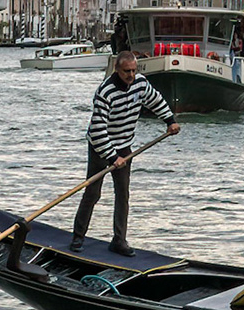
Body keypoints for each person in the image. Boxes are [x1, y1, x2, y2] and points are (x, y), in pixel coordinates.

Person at [68, 50, 179, 259]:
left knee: (123, 194)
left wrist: (170, 120)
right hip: (101, 146)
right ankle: (78, 237)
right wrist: (112, 157)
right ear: (117, 70)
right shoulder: (105, 92)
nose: (131, 75)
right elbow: (98, 129)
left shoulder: (140, 83)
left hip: (125, 146)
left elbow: (155, 100)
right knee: (92, 193)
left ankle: (119, 240)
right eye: (127, 71)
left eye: (134, 71)